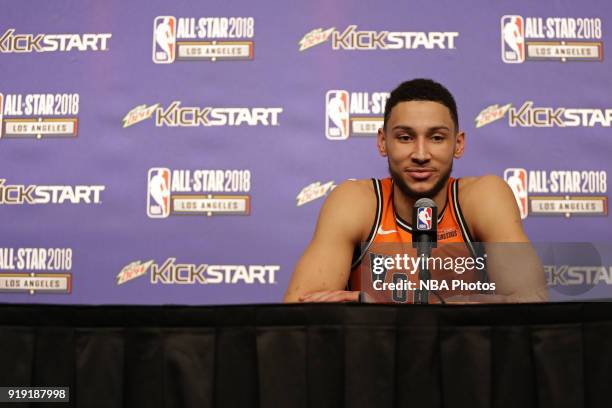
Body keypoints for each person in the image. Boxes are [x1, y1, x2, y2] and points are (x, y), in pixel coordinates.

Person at [284, 79, 547, 303]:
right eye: (405, 137)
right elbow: (303, 315)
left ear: (458, 144)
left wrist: (377, 307)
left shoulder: (482, 197)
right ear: (382, 142)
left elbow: (530, 303)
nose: (421, 155)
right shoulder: (356, 202)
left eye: (436, 138)